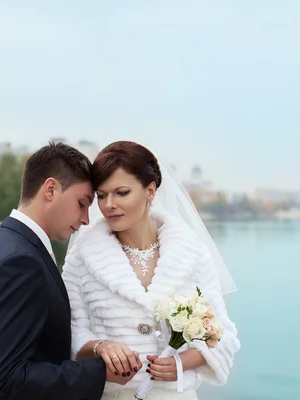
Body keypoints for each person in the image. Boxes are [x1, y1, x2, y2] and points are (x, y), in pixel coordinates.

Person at [62, 141, 240, 399]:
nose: (109, 204)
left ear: (150, 191)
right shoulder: (83, 256)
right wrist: (102, 347)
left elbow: (222, 335)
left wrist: (181, 363)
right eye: (101, 196)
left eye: (121, 192)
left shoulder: (190, 252)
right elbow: (71, 333)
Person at [0, 142, 140, 400]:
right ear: (50, 189)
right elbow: (4, 382)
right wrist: (99, 371)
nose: (86, 219)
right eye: (82, 203)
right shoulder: (21, 263)